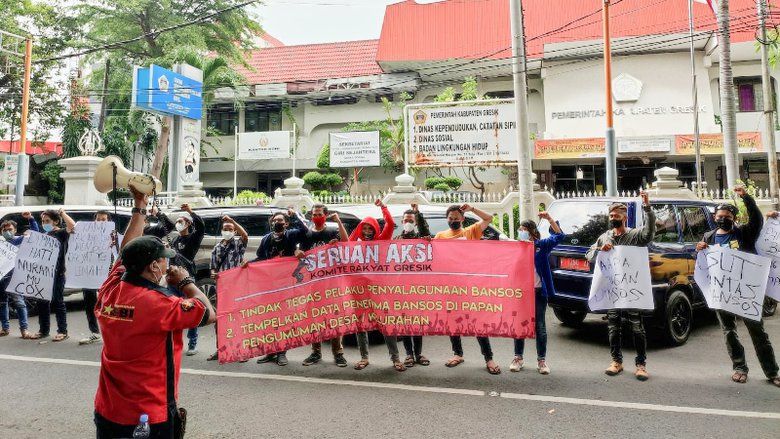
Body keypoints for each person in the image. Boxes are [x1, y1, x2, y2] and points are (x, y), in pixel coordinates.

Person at [93, 185, 216, 438]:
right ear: (153, 266)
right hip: (148, 416)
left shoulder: (110, 289)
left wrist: (140, 207)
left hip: (108, 410)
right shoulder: (158, 304)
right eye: (164, 259)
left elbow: (125, 253)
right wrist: (185, 281)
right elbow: (207, 312)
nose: (168, 263)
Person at [695, 187, 780, 388]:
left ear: (734, 217)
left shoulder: (744, 234)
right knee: (729, 331)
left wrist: (746, 197)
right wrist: (698, 250)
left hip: (746, 293)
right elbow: (704, 264)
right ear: (715, 217)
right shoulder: (709, 236)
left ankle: (772, 371)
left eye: (727, 216)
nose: (722, 218)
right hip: (722, 294)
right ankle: (740, 368)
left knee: (757, 332)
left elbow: (757, 220)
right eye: (719, 216)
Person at [586, 192, 655, 381]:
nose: (613, 218)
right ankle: (616, 361)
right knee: (613, 327)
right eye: (610, 215)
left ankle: (641, 365)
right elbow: (589, 255)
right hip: (613, 292)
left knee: (637, 328)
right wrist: (601, 249)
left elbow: (649, 233)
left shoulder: (634, 236)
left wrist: (647, 207)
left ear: (624, 217)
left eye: (616, 215)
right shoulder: (605, 237)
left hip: (632, 291)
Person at [436, 204, 501, 375]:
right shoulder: (440, 236)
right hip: (450, 287)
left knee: (478, 322)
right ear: (447, 219)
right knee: (453, 322)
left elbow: (488, 219)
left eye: (457, 218)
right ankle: (457, 354)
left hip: (470, 286)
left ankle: (489, 358)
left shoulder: (471, 231)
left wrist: (472, 209)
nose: (453, 221)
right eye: (450, 218)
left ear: (463, 219)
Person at [510, 211, 565, 375]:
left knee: (540, 326)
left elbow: (559, 236)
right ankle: (518, 358)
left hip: (538, 292)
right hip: (521, 293)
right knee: (520, 324)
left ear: (532, 232)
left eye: (524, 229)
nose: (521, 232)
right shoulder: (516, 248)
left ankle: (541, 361)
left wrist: (549, 218)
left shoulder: (542, 246)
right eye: (519, 229)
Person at [146, 204, 206, 355]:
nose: (179, 223)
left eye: (182, 221)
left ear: (189, 224)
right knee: (173, 309)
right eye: (178, 221)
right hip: (172, 280)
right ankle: (174, 341)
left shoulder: (193, 238)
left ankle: (192, 343)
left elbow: (201, 226)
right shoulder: (174, 240)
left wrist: (190, 211)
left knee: (190, 308)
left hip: (186, 278)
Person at [252, 208, 308, 366]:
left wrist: (295, 215)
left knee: (283, 320)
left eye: (281, 221)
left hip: (286, 285)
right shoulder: (266, 239)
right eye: (275, 221)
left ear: (286, 224)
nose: (277, 223)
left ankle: (282, 352)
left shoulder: (292, 235)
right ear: (271, 223)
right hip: (269, 286)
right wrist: (247, 265)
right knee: (269, 320)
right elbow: (260, 258)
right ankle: (270, 352)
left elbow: (306, 231)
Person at [298, 203, 349, 368]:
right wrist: (296, 253)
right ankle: (316, 352)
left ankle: (338, 353)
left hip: (332, 283)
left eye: (319, 213)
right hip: (314, 284)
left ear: (325, 215)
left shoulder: (332, 231)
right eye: (314, 214)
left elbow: (346, 241)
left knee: (334, 318)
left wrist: (339, 221)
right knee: (315, 318)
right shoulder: (307, 234)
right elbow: (301, 255)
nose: (316, 216)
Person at [349, 199, 397, 371]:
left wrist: (383, 207)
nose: (367, 231)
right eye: (365, 228)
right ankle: (364, 358)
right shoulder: (355, 244)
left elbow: (390, 223)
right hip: (359, 290)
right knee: (361, 324)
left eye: (370, 228)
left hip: (378, 290)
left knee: (385, 323)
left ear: (376, 229)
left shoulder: (382, 240)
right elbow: (343, 248)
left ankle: (395, 358)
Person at [393, 203, 432, 368]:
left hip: (417, 288)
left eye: (411, 220)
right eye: (405, 220)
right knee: (404, 324)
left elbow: (425, 231)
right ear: (402, 222)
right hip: (400, 288)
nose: (408, 222)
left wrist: (418, 213)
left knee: (417, 322)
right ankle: (408, 354)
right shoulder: (396, 241)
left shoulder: (421, 239)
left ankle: (418, 353)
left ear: (415, 223)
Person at [206, 215, 249, 362]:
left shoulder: (238, 245)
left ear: (234, 231)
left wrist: (232, 221)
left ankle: (240, 351)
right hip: (222, 289)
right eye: (225, 229)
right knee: (221, 320)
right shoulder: (217, 248)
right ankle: (221, 349)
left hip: (237, 288)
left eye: (230, 229)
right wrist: (214, 275)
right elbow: (212, 269)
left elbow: (245, 235)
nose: (227, 231)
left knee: (237, 319)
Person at [29, 209, 75, 341]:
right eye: (43, 221)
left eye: (47, 221)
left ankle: (63, 331)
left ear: (55, 221)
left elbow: (72, 226)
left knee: (57, 301)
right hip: (43, 273)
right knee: (42, 302)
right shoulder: (44, 234)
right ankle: (43, 330)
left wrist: (63, 214)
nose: (44, 223)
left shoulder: (60, 233)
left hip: (57, 273)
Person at [79, 210, 118, 346]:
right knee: (90, 302)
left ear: (109, 221)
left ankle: (113, 332)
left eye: (104, 219)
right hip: (89, 274)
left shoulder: (113, 236)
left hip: (106, 275)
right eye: (99, 219)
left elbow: (117, 254)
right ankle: (94, 332)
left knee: (109, 303)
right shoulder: (86, 234)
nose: (101, 222)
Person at [0, 212, 39, 339]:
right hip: (2, 277)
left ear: (15, 230)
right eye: (4, 230)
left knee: (19, 303)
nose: (7, 232)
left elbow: (35, 233)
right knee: (2, 303)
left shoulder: (20, 240)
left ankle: (24, 329)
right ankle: (5, 328)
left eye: (10, 229)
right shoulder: (1, 243)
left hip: (15, 276)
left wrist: (31, 219)